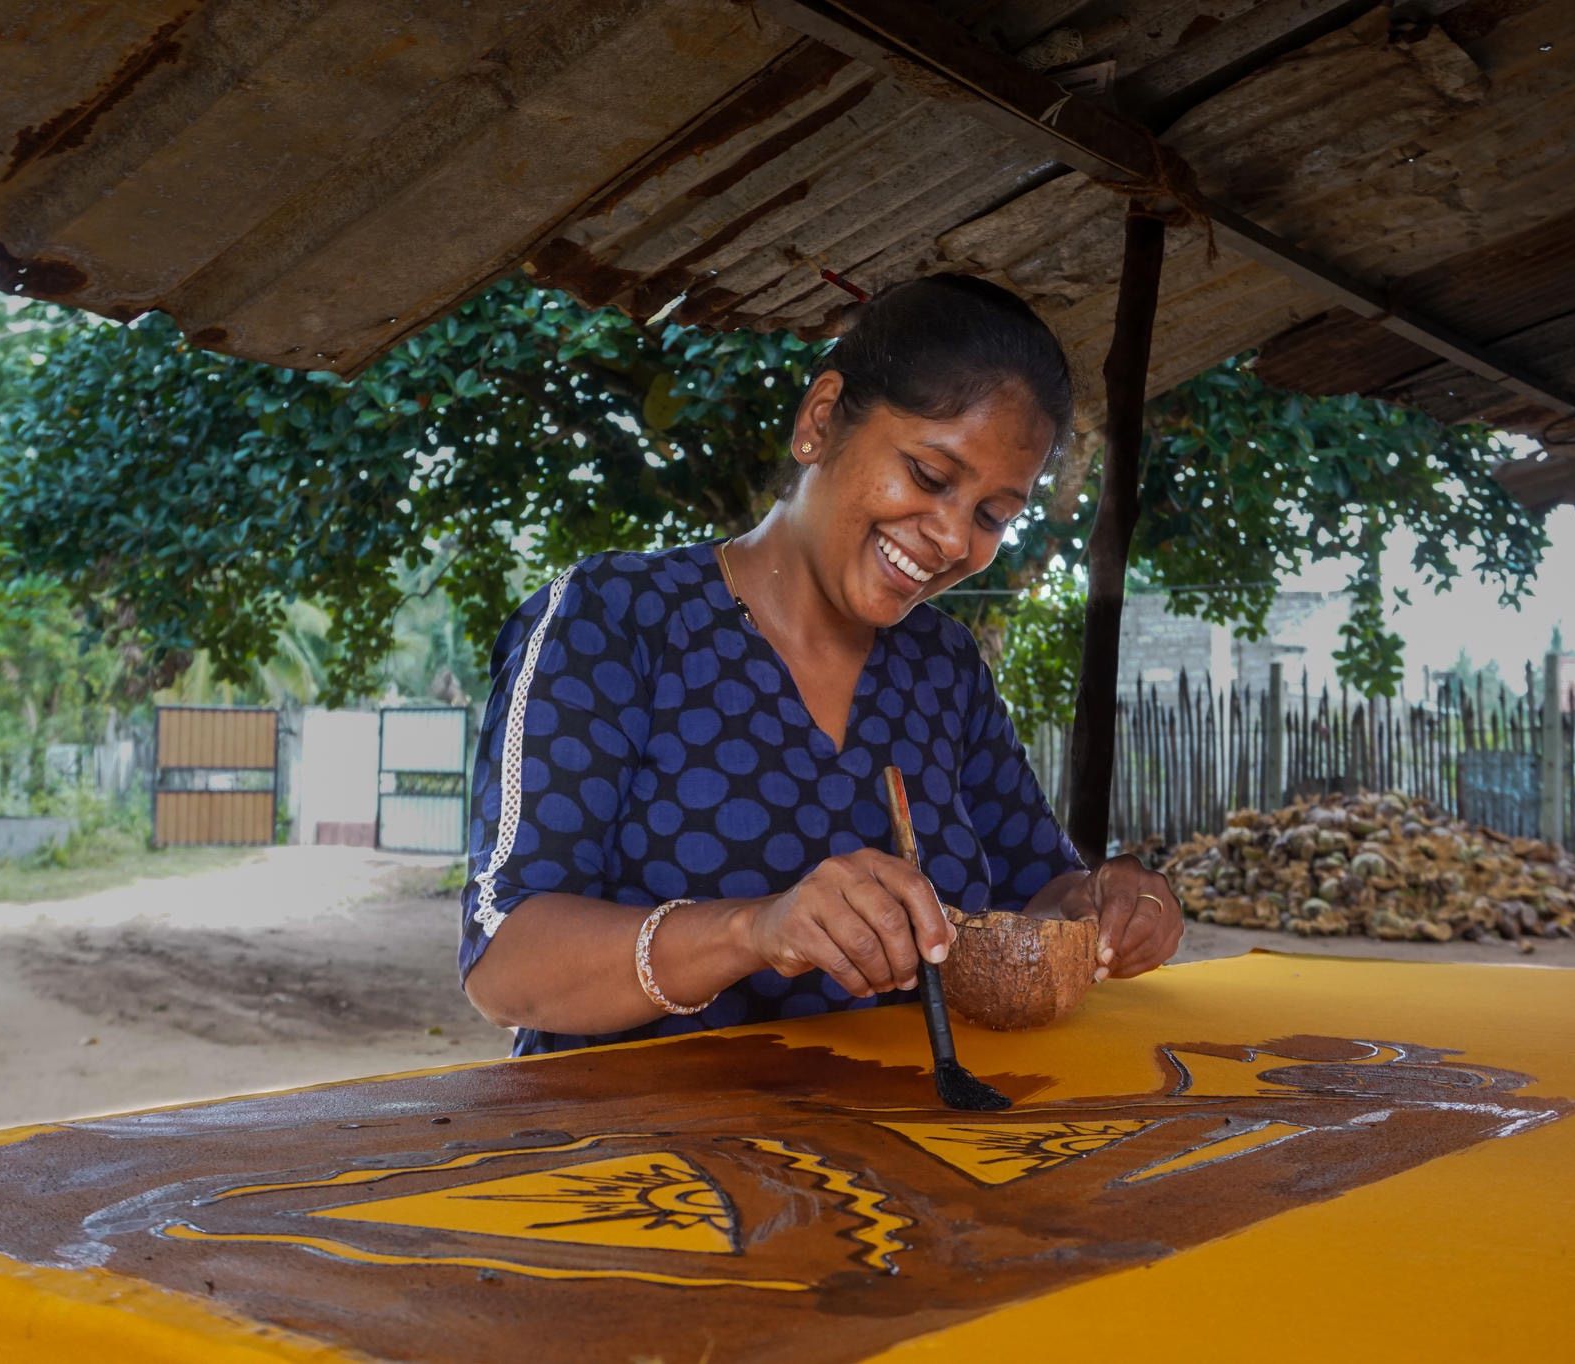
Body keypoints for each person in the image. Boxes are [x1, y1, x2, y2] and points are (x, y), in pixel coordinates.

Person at [459, 274, 1183, 1056]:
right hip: (641, 1160)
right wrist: (755, 929)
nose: (951, 539)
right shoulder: (613, 619)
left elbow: (1035, 892)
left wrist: (1103, 903)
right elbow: (505, 965)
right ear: (821, 420)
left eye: (991, 517)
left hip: (895, 1152)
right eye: (930, 477)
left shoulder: (942, 668)